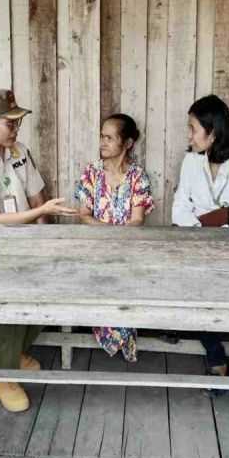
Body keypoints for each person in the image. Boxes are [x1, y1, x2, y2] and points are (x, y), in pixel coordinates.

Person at [0, 88, 77, 412]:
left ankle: (9, 353)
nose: (16, 128)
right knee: (16, 297)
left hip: (29, 245)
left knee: (50, 292)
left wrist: (48, 239)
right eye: (9, 123)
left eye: (17, 121)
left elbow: (38, 198)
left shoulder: (20, 151)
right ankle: (3, 376)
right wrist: (38, 215)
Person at [171, 95, 229, 383]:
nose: (189, 135)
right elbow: (179, 210)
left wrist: (214, 228)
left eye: (193, 129)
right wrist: (216, 220)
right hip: (192, 245)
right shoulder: (191, 162)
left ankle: (213, 347)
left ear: (213, 133)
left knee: (212, 281)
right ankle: (212, 345)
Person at [76, 113, 154, 362]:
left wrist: (118, 244)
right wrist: (108, 237)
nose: (102, 142)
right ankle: (108, 336)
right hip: (95, 250)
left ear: (127, 143)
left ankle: (121, 337)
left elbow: (137, 220)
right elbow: (84, 215)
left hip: (128, 251)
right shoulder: (92, 173)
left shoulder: (138, 177)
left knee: (126, 277)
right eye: (101, 136)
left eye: (109, 138)